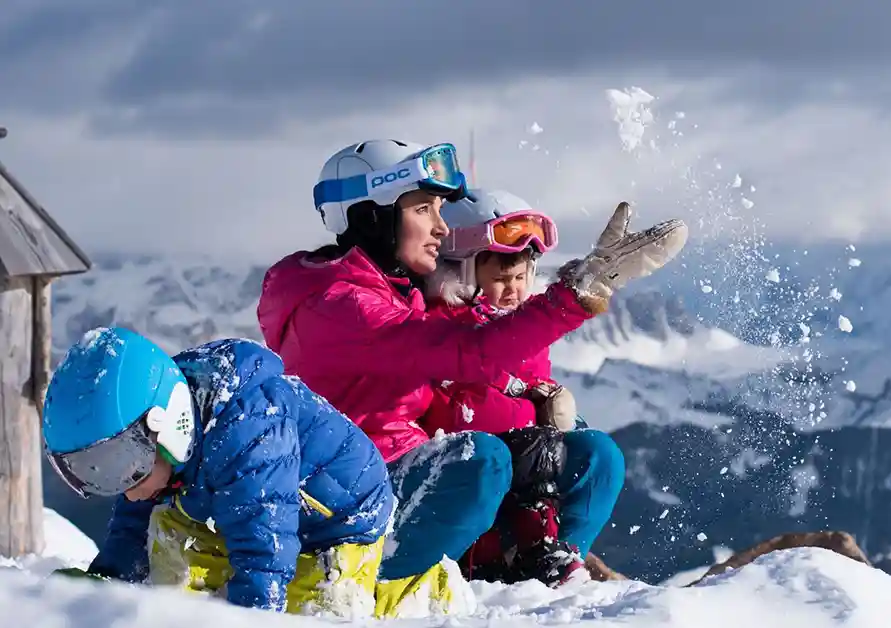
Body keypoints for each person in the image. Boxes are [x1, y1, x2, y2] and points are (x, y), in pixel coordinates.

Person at [255, 139, 687, 592]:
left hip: (399, 474)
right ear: (371, 216)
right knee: (481, 460)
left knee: (592, 455)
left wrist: (530, 395)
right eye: (424, 209)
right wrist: (579, 291)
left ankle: (539, 582)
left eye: (440, 210)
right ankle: (390, 587)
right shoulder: (341, 305)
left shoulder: (390, 289)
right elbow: (469, 349)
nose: (440, 227)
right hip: (350, 501)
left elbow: (472, 343)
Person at [40, 328, 442, 619]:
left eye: (124, 468)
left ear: (167, 425)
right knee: (158, 532)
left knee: (319, 612)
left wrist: (251, 617)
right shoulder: (165, 435)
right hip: (241, 506)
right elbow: (132, 526)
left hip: (336, 526)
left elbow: (264, 551)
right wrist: (111, 584)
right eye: (99, 474)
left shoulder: (250, 430)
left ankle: (415, 588)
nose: (125, 491)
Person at [422, 188, 593, 585]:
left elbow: (535, 379)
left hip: (522, 460)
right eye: (501, 279)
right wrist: (530, 410)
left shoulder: (523, 325)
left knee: (595, 453)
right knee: (532, 446)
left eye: (521, 277)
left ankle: (554, 557)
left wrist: (546, 397)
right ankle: (529, 554)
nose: (514, 290)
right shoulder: (442, 325)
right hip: (471, 466)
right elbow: (460, 398)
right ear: (462, 272)